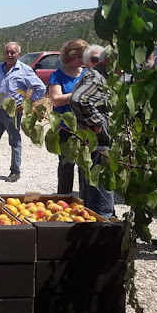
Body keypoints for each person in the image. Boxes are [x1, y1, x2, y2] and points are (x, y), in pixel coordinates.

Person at [0, 42, 46, 182]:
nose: (9, 55)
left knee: (14, 141)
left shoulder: (24, 70)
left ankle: (15, 171)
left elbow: (40, 88)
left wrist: (27, 104)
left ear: (18, 54)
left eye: (13, 52)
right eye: (7, 52)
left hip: (12, 112)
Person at [69, 47, 115, 218]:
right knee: (101, 198)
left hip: (94, 144)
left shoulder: (99, 76)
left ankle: (93, 233)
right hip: (99, 144)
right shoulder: (96, 78)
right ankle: (101, 234)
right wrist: (96, 123)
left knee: (92, 196)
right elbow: (79, 99)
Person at [49, 39, 88, 194]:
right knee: (67, 164)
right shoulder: (57, 76)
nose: (83, 61)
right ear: (72, 56)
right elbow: (56, 100)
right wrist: (77, 95)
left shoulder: (87, 74)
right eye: (81, 57)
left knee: (85, 164)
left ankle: (87, 200)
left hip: (85, 126)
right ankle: (64, 197)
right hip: (65, 127)